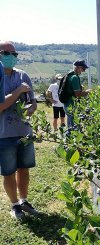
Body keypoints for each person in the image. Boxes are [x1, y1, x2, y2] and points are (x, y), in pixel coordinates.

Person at [0, 41, 38, 219]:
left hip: (24, 132)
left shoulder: (23, 75)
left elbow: (32, 101)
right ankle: (14, 205)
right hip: (4, 134)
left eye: (14, 54)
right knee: (9, 172)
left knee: (24, 169)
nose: (11, 57)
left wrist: (31, 108)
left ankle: (23, 200)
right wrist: (18, 91)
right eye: (7, 53)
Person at [63, 59, 90, 128]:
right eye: (83, 68)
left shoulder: (69, 75)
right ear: (78, 68)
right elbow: (77, 94)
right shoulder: (74, 77)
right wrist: (88, 92)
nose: (84, 71)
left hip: (67, 103)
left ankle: (67, 138)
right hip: (71, 104)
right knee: (73, 126)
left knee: (70, 125)